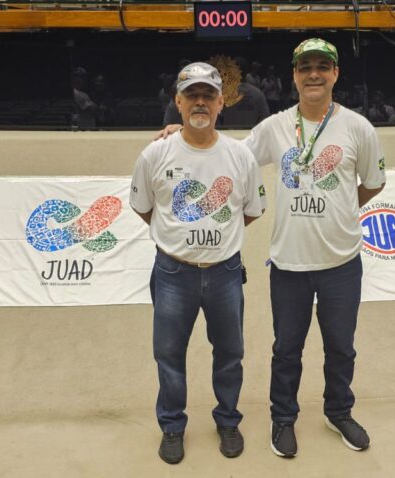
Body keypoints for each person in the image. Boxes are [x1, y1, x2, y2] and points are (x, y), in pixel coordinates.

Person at [157, 38, 387, 458]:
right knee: (286, 350)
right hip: (289, 263)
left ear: (335, 74)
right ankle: (283, 418)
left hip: (342, 262)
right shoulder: (276, 126)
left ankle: (339, 411)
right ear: (294, 76)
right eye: (305, 67)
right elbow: (231, 155)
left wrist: (341, 210)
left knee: (341, 347)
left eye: (322, 66)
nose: (313, 74)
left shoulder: (358, 128)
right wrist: (182, 130)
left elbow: (373, 183)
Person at [131, 62, 266, 465]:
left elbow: (253, 209)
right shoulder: (155, 154)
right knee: (169, 355)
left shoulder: (240, 156)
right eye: (192, 95)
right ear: (178, 101)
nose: (200, 102)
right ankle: (172, 426)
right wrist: (178, 239)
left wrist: (218, 240)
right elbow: (143, 208)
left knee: (229, 353)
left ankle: (227, 420)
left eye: (209, 94)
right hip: (173, 273)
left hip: (225, 272)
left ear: (222, 102)